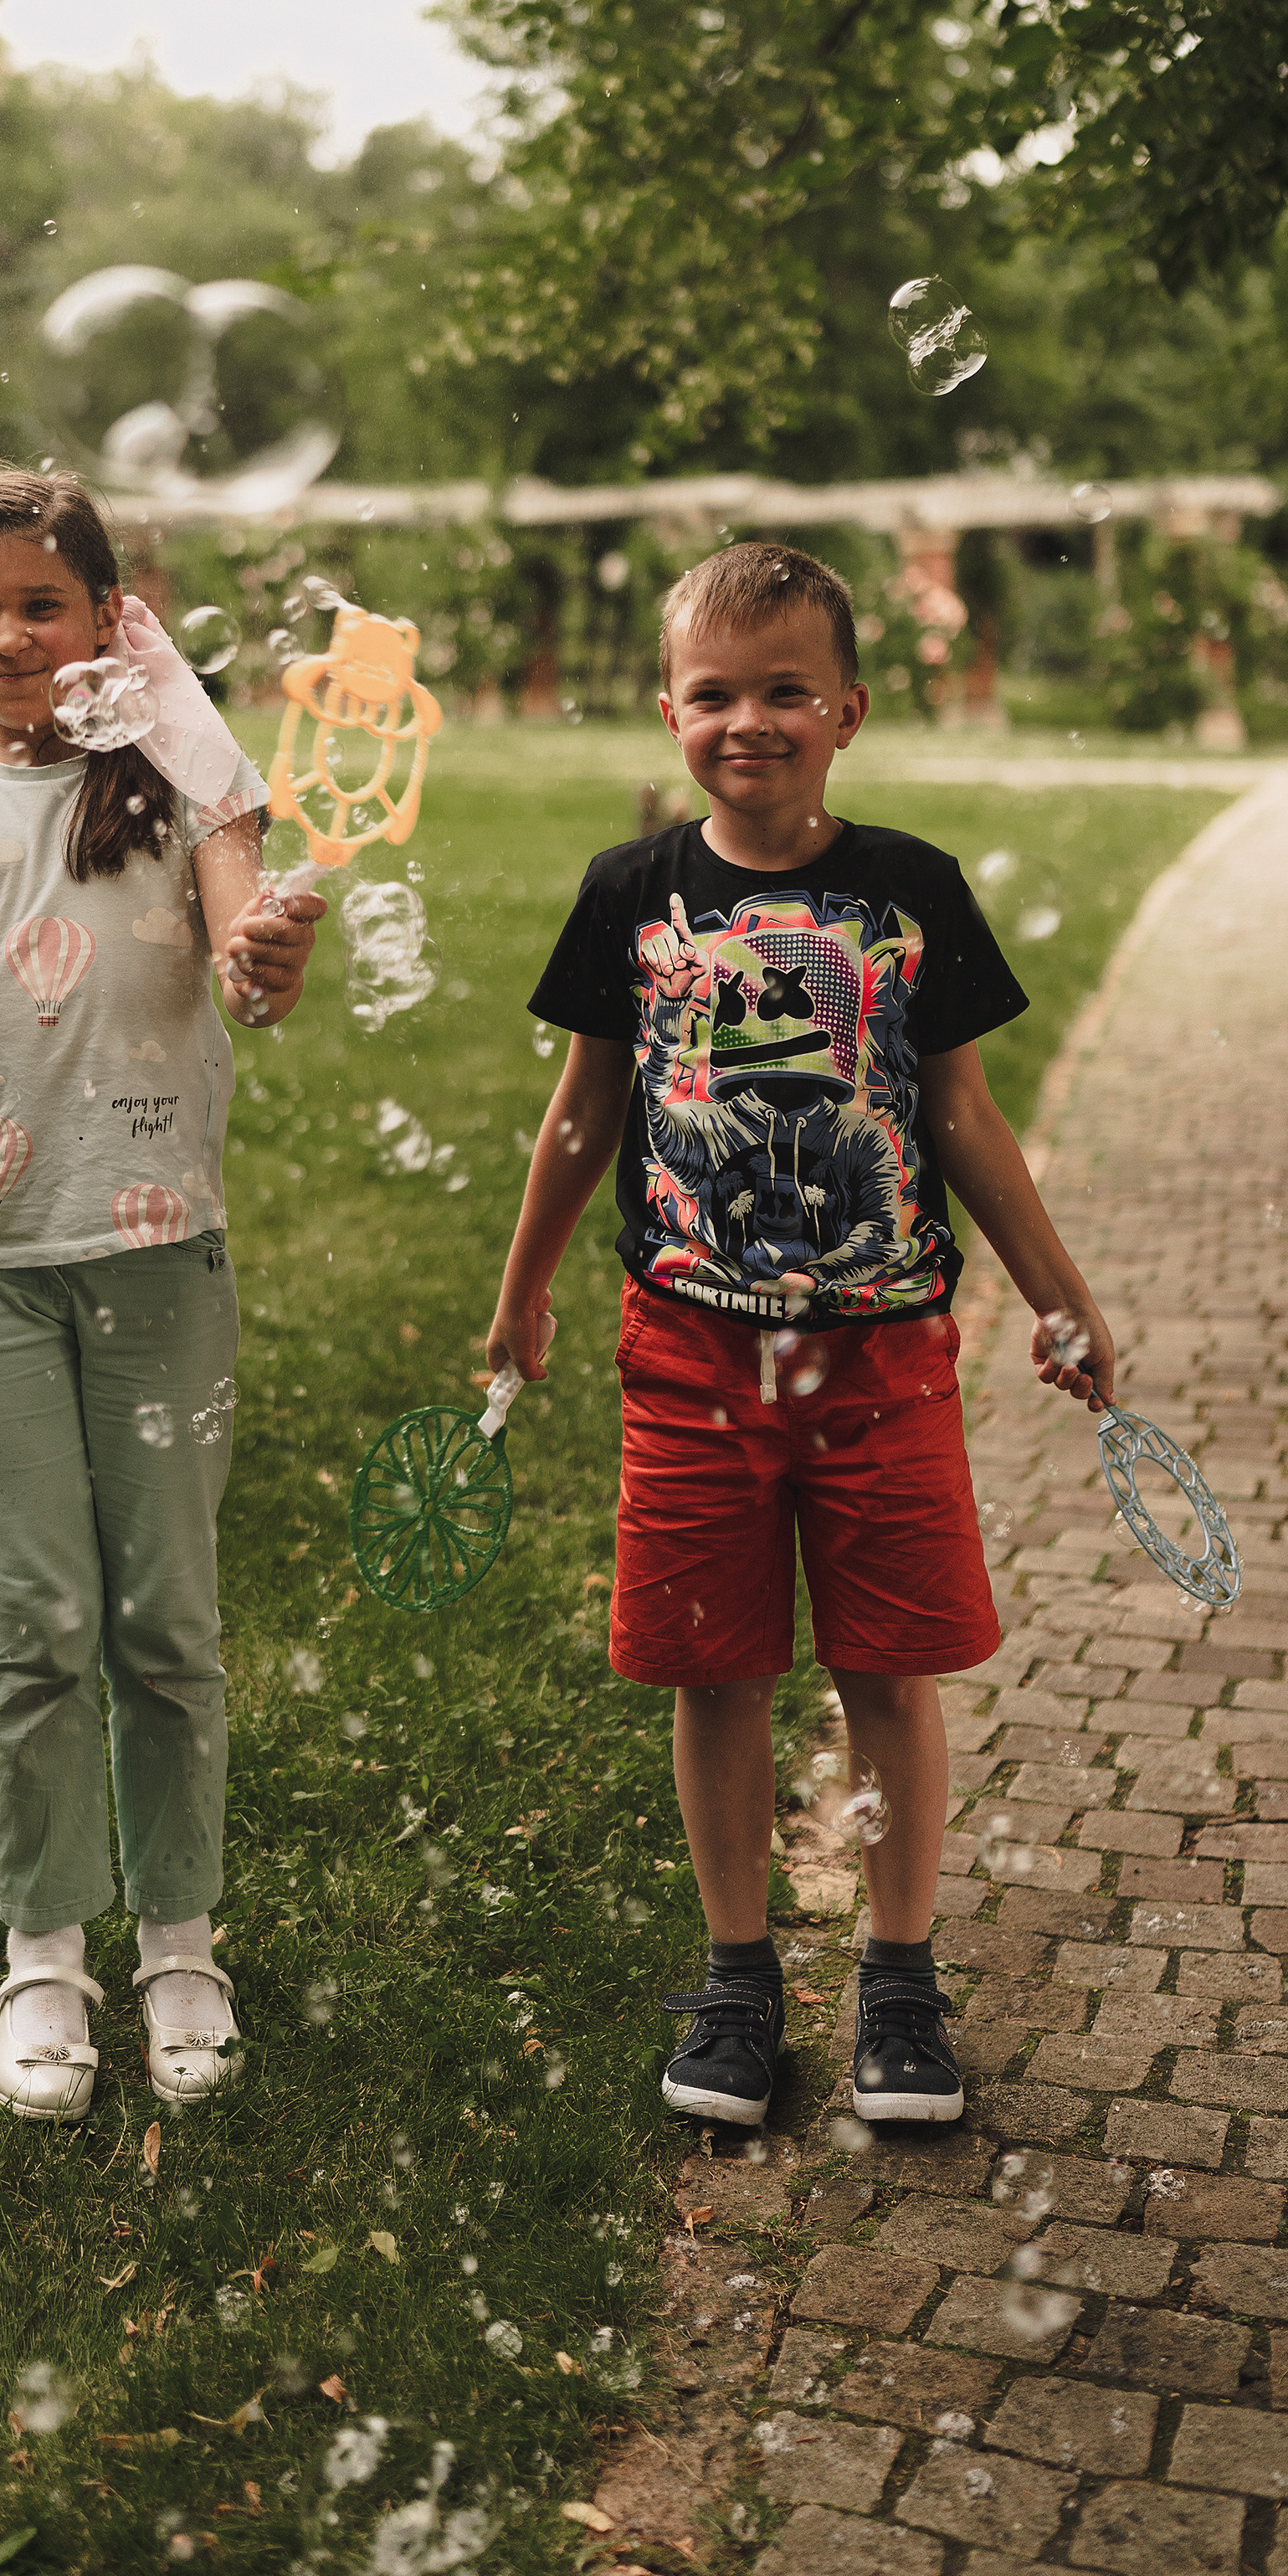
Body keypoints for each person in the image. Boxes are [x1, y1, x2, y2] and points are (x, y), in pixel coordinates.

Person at [485, 540, 1111, 2131]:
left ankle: (898, 1983)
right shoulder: (632, 896)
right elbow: (582, 1117)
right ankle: (740, 1974)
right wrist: (521, 1288)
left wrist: (1058, 1289)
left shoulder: (910, 887)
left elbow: (964, 1115)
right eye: (712, 693)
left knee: (889, 1665)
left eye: (783, 692)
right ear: (667, 710)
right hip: (687, 1353)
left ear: (848, 709)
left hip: (882, 1353)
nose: (745, 721)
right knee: (717, 1669)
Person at [0, 467, 324, 2126]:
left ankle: (180, 1945)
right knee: (32, 1627)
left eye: (35, 605)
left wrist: (270, 950)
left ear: (108, 619)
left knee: (165, 1621)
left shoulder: (188, 783)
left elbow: (248, 954)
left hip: (155, 1256)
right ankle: (43, 1960)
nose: (1, 636)